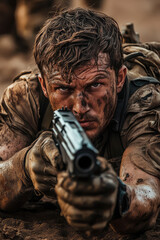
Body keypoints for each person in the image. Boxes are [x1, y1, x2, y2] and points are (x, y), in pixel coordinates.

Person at [0, 8, 160, 235]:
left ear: (119, 79)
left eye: (94, 85)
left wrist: (116, 199)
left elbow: (147, 195)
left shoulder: (144, 103)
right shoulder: (27, 97)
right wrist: (23, 168)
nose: (79, 107)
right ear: (44, 86)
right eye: (63, 88)